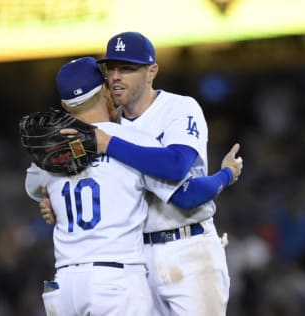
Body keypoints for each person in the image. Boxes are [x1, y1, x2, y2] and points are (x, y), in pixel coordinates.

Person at [25, 57, 242, 316]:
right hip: (113, 281)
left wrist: (50, 199)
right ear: (105, 90)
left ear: (64, 105)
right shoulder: (129, 142)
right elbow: (186, 196)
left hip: (64, 285)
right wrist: (227, 173)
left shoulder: (49, 153)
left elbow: (32, 187)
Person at [94, 31, 234, 315]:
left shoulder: (179, 108)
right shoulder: (110, 125)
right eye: (111, 68)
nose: (116, 76)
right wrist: (50, 200)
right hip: (136, 258)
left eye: (128, 68)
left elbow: (176, 165)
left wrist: (110, 144)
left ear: (151, 71)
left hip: (190, 246)